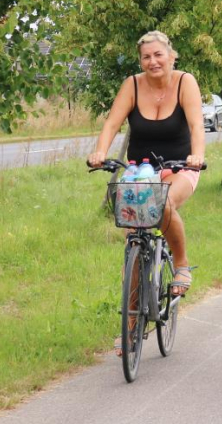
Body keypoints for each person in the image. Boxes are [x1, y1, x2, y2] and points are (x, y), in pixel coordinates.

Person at [88, 30, 205, 301]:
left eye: (158, 55)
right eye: (146, 57)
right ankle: (129, 329)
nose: (153, 61)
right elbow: (112, 123)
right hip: (139, 171)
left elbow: (197, 124)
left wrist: (196, 155)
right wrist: (100, 152)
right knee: (133, 243)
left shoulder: (185, 82)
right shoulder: (133, 85)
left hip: (179, 168)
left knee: (162, 203)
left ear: (171, 56)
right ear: (140, 61)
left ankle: (181, 265)